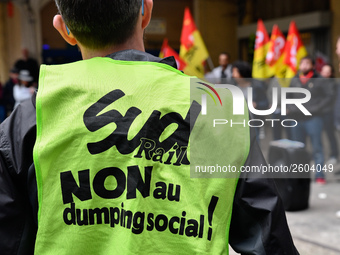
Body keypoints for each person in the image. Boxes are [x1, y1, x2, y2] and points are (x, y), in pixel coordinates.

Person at [0, 1, 298, 254]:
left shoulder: (29, 120)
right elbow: (269, 238)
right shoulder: (217, 109)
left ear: (64, 28)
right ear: (146, 10)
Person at [288, 56, 333, 184]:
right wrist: (291, 108)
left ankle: (319, 175)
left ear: (313, 66)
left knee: (317, 148)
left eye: (307, 63)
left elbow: (329, 96)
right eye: (301, 63)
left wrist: (316, 108)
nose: (303, 66)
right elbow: (288, 96)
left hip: (314, 118)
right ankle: (300, 176)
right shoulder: (295, 79)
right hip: (296, 118)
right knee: (298, 148)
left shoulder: (320, 80)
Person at [231, 60, 269, 140]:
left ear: (242, 72)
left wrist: (256, 105)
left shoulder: (257, 86)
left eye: (235, 72)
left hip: (253, 124)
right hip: (236, 125)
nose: (233, 75)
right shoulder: (232, 87)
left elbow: (266, 103)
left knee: (254, 149)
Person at [320, 64, 338, 165]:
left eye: (327, 72)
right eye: (323, 71)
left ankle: (334, 155)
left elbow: (329, 99)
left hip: (328, 113)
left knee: (330, 135)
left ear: (331, 73)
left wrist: (317, 105)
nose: (325, 74)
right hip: (318, 113)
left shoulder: (332, 85)